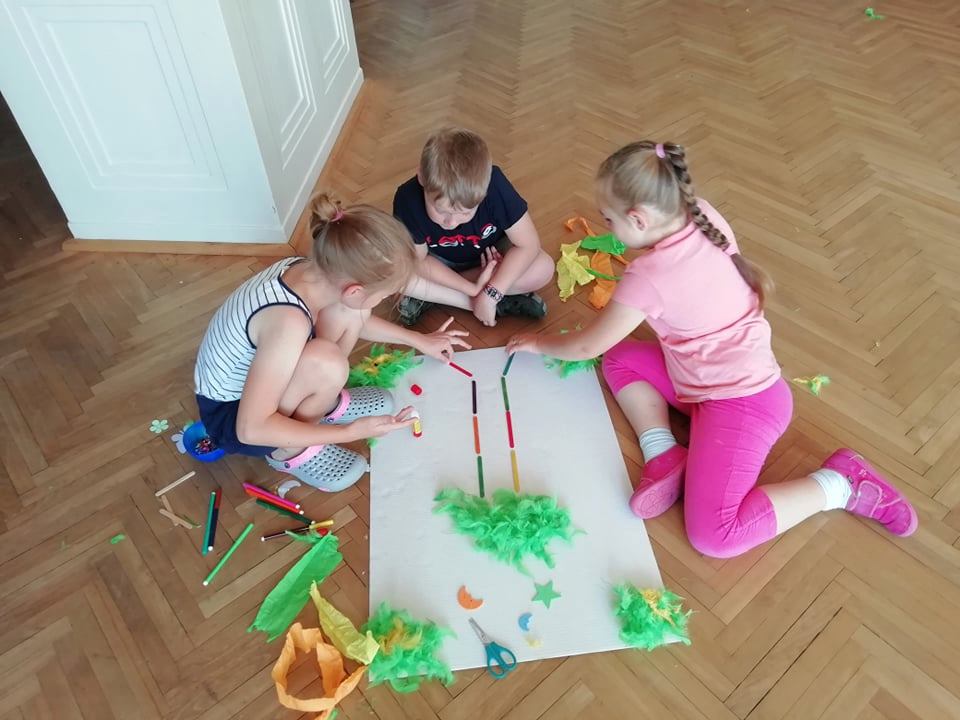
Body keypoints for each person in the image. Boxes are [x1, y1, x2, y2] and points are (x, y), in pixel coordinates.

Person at [507, 141, 918, 558]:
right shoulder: (700, 213)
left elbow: (585, 345)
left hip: (746, 404)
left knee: (716, 536)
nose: (607, 227)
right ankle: (664, 453)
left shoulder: (648, 276)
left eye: (609, 219)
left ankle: (841, 485)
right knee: (621, 359)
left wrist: (537, 342)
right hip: (704, 382)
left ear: (639, 218)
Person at [194, 192, 470, 491]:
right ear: (355, 289)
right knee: (327, 363)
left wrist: (418, 339)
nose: (385, 299)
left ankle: (321, 403)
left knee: (350, 313)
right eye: (385, 295)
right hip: (235, 419)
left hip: (259, 386)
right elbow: (251, 429)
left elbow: (357, 313)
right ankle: (286, 450)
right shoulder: (287, 323)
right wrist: (350, 432)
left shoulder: (312, 271)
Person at [392, 127, 554, 327]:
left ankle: (434, 297)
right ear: (422, 177)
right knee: (396, 274)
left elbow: (529, 245)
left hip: (493, 258)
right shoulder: (407, 199)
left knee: (543, 268)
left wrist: (492, 292)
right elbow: (418, 261)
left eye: (465, 213)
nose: (451, 223)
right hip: (439, 265)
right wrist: (472, 289)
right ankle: (485, 303)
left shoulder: (495, 185)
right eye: (441, 210)